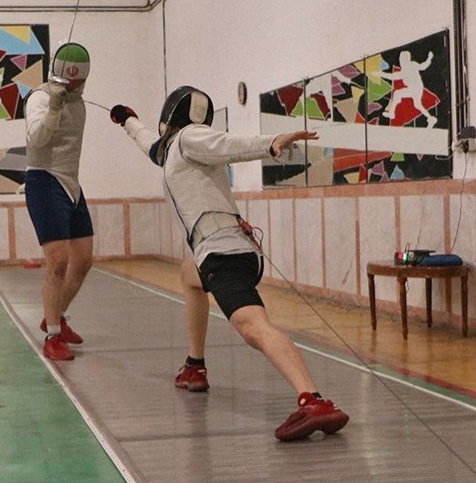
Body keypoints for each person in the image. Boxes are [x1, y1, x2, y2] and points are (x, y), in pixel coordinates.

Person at [109, 86, 350, 441]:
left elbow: (226, 144)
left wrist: (271, 142)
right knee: (189, 275)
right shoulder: (173, 149)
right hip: (226, 249)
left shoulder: (189, 137)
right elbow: (151, 146)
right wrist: (128, 121)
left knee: (253, 327)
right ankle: (194, 366)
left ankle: (312, 400)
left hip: (223, 253)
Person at [24, 42, 93, 361]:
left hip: (72, 184)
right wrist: (53, 107)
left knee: (83, 260)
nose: (74, 87)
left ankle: (56, 317)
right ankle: (52, 336)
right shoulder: (39, 98)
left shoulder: (80, 105)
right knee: (58, 262)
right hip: (43, 180)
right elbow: (36, 139)